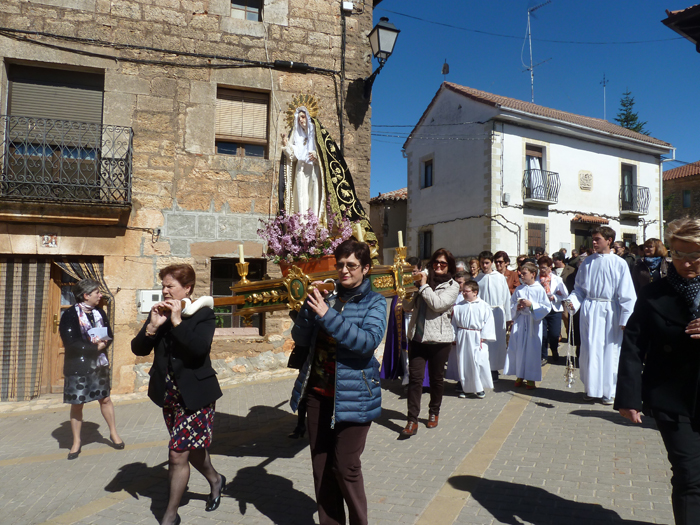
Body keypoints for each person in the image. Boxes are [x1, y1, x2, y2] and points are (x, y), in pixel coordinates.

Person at [289, 239, 386, 525]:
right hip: (319, 393)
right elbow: (300, 340)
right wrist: (308, 311)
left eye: (352, 265)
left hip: (355, 395)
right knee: (321, 466)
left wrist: (326, 315)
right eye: (340, 264)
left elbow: (367, 342)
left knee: (345, 466)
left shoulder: (375, 302)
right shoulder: (328, 297)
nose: (344, 270)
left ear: (365, 268)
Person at [615, 218, 700, 525]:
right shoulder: (654, 294)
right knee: (689, 475)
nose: (686, 262)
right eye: (678, 254)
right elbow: (634, 345)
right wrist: (628, 396)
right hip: (671, 397)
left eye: (694, 255)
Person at [131, 264, 225, 525]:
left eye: (170, 286)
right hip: (170, 396)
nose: (165, 290)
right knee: (193, 451)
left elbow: (198, 350)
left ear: (187, 288)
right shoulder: (160, 312)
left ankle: (170, 515)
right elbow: (138, 349)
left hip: (196, 396)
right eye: (163, 285)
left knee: (177, 454)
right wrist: (152, 325)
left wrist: (176, 321)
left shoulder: (204, 314)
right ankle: (216, 480)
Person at [566, 227, 636, 405]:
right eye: (593, 239)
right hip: (589, 310)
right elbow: (579, 289)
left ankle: (608, 391)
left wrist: (626, 318)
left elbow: (627, 294)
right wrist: (572, 301)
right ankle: (591, 388)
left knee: (609, 350)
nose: (594, 243)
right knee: (589, 349)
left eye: (597, 239)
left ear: (609, 240)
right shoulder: (587, 262)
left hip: (610, 310)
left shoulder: (619, 263)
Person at [60, 279, 124, 460]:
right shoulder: (70, 315)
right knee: (77, 403)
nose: (100, 295)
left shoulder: (99, 312)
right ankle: (76, 442)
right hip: (78, 366)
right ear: (86, 295)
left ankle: (113, 433)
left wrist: (104, 343)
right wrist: (94, 348)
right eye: (97, 292)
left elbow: (108, 334)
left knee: (105, 399)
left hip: (99, 365)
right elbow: (70, 342)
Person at [400, 248, 460, 437]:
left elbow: (438, 305)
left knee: (436, 380)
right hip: (417, 337)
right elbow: (407, 307)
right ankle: (412, 420)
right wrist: (410, 289)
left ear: (449, 266)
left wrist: (423, 287)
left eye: (443, 263)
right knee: (415, 380)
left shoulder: (453, 286)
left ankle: (434, 411)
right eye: (436, 263)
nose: (439, 266)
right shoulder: (422, 281)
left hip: (439, 340)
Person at [504, 262, 551, 389]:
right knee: (518, 349)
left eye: (524, 273)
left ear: (533, 274)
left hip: (533, 323)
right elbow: (511, 304)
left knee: (532, 350)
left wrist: (532, 306)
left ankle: (531, 378)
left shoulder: (539, 289)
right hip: (520, 321)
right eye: (521, 273)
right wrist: (517, 307)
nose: (521, 276)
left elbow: (547, 307)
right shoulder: (519, 289)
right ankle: (519, 375)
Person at [447, 280, 496, 399]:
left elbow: (489, 322)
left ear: (475, 292)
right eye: (462, 291)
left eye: (466, 291)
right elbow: (454, 323)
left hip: (477, 337)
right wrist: (454, 336)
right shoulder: (458, 306)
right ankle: (466, 388)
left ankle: (479, 389)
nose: (463, 293)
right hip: (463, 336)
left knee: (478, 362)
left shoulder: (484, 305)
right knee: (464, 363)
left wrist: (484, 336)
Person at [475, 251, 512, 383]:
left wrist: (508, 317)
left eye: (487, 263)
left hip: (497, 313)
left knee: (497, 342)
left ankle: (494, 369)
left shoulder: (500, 277)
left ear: (491, 263)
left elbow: (506, 297)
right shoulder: (477, 279)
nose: (484, 265)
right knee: (484, 341)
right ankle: (483, 368)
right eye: (482, 263)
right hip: (483, 314)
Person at [538, 256, 568, 364]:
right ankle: (543, 356)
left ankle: (554, 349)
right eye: (540, 268)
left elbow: (565, 295)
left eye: (544, 268)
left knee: (554, 334)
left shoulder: (557, 279)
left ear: (550, 267)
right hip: (541, 310)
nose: (542, 270)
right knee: (543, 334)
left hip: (555, 309)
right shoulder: (537, 280)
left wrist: (555, 297)